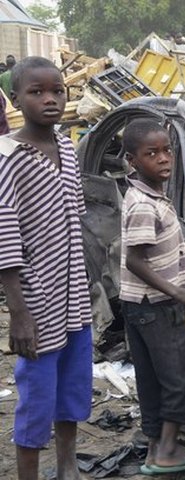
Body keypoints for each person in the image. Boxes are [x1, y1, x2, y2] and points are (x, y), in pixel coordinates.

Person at [0, 56, 93, 480]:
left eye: (57, 90)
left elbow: (78, 217)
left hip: (76, 295)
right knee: (37, 395)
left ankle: (68, 467)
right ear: (15, 98)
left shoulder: (69, 150)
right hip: (37, 300)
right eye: (36, 92)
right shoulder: (9, 157)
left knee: (73, 387)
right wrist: (18, 313)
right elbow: (4, 235)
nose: (50, 99)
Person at [119, 118, 185, 475]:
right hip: (156, 306)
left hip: (139, 306)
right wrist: (178, 291)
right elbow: (134, 259)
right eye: (152, 153)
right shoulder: (144, 204)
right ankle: (167, 451)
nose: (163, 159)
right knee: (180, 376)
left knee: (151, 378)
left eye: (167, 151)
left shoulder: (146, 194)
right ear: (132, 160)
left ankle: (154, 448)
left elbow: (152, 244)